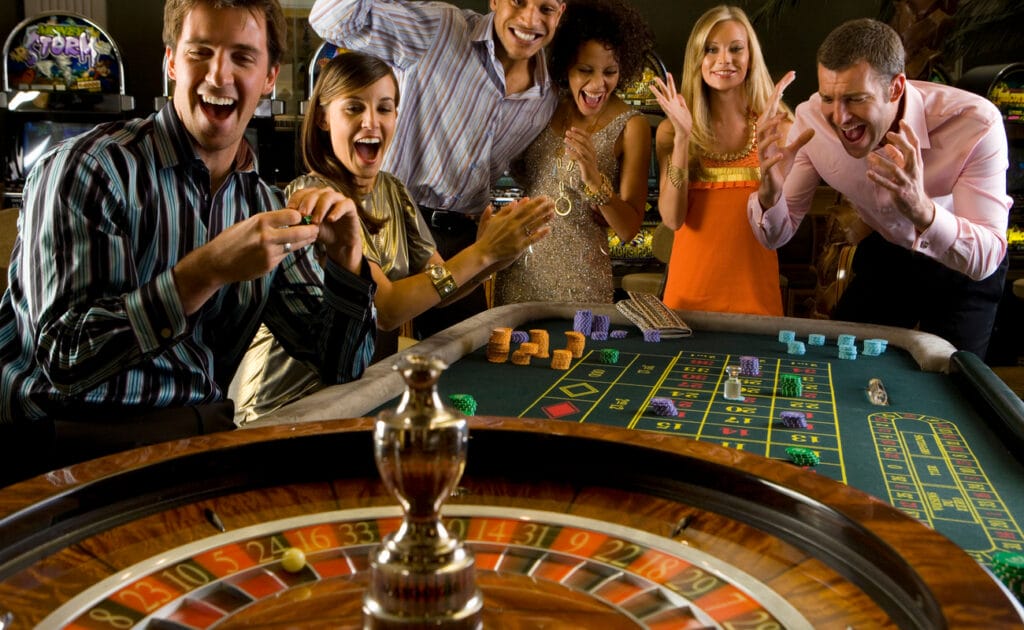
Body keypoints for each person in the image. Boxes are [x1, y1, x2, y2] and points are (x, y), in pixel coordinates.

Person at [0, 0, 378, 486]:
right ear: (172, 63)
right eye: (201, 52)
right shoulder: (88, 168)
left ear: (269, 77)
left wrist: (347, 262)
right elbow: (65, 361)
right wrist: (204, 272)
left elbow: (343, 366)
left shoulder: (260, 203)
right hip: (57, 452)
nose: (218, 76)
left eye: (242, 57)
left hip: (195, 440)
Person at [232, 51, 554, 423]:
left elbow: (437, 290)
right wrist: (482, 252)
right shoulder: (313, 198)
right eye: (354, 108)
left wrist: (500, 255)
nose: (371, 122)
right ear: (322, 117)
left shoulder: (393, 191)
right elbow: (385, 308)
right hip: (286, 406)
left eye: (384, 109)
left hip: (350, 394)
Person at [748, 18, 1010, 357]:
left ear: (896, 88)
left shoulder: (976, 123)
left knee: (953, 383)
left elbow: (985, 259)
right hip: (892, 252)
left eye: (855, 99)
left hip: (961, 266)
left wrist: (923, 211)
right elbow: (775, 236)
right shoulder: (811, 120)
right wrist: (769, 196)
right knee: (841, 363)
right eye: (829, 97)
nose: (840, 117)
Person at [308, 0, 566, 338]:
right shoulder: (440, 28)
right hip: (379, 220)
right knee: (372, 365)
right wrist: (486, 252)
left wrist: (493, 252)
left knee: (463, 368)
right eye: (518, 1)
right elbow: (330, 17)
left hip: (459, 237)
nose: (530, 19)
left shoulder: (547, 98)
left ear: (561, 10)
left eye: (546, 8)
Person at [492, 0, 651, 305]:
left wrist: (594, 181)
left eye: (610, 72)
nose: (597, 84)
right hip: (519, 274)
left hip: (582, 284)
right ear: (567, 66)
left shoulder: (632, 126)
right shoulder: (546, 104)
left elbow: (629, 229)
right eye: (585, 70)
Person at [649, 5, 787, 316]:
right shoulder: (671, 132)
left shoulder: (780, 128)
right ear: (697, 58)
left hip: (756, 300)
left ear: (751, 56)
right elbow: (672, 219)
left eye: (735, 48)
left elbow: (781, 227)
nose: (724, 59)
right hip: (687, 299)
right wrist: (684, 139)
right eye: (711, 49)